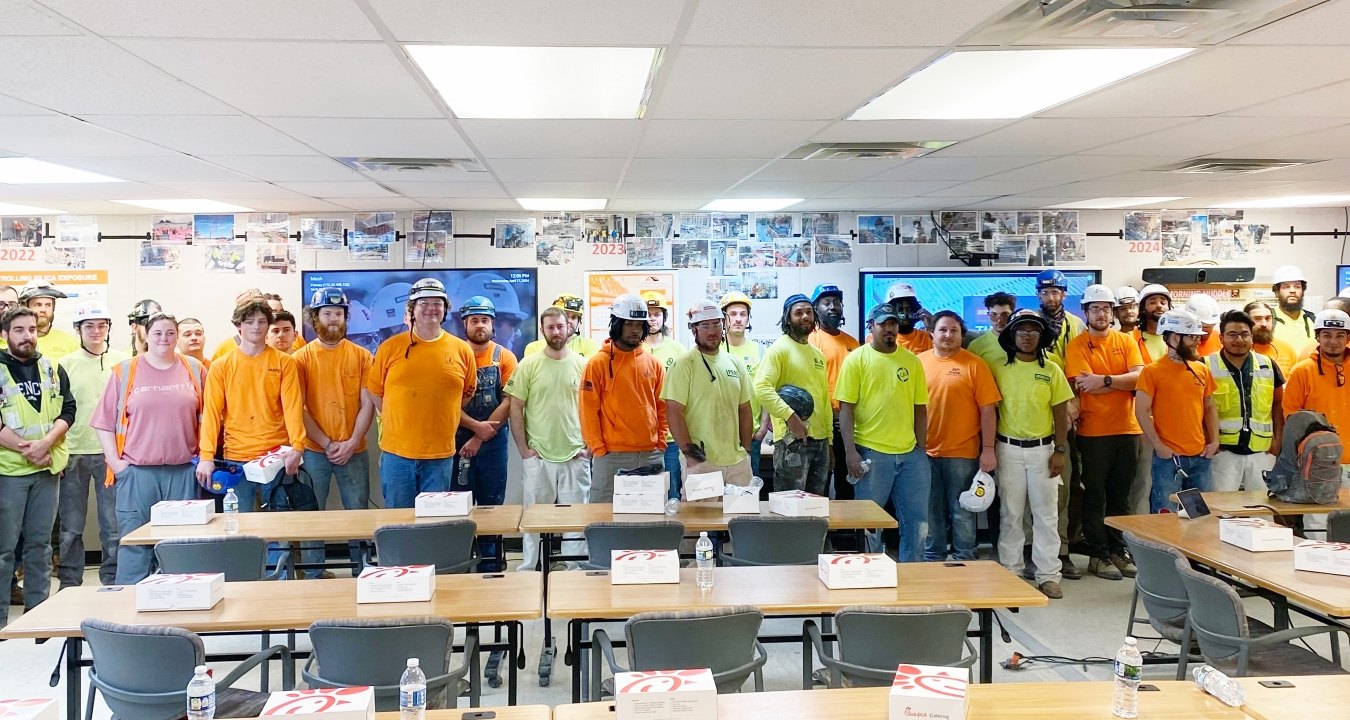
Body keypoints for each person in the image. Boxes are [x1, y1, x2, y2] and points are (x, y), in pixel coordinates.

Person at [93, 313, 207, 585]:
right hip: (137, 473)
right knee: (134, 544)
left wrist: (205, 458)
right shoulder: (125, 371)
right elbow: (103, 422)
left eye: (170, 333)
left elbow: (211, 418)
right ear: (146, 335)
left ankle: (180, 608)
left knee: (181, 545)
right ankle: (129, 617)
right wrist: (117, 465)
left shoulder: (195, 368)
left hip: (183, 472)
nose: (164, 339)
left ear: (176, 336)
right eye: (157, 333)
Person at [366, 278, 478, 508]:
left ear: (446, 309)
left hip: (440, 454)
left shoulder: (461, 349)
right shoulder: (390, 348)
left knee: (433, 524)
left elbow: (465, 393)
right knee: (397, 523)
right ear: (411, 310)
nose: (430, 308)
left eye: (437, 303)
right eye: (423, 302)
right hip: (397, 454)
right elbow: (376, 392)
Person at [988, 310, 1073, 600]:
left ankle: (1048, 575)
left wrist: (1059, 450)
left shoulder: (1052, 369)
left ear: (1042, 337)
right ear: (1012, 336)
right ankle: (1011, 572)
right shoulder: (999, 368)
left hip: (1043, 450)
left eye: (1033, 332)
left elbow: (1060, 413)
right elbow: (990, 410)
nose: (1027, 336)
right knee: (1010, 513)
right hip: (1008, 448)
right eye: (1021, 331)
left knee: (1046, 515)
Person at [0, 307, 75, 628]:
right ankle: (1, 620)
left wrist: (45, 446)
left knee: (40, 546)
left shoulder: (52, 368)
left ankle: (38, 617)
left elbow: (68, 410)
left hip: (47, 470)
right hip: (10, 473)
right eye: (19, 330)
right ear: (5, 335)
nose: (27, 335)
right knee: (3, 550)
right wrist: (30, 450)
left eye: (31, 329)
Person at [292, 288, 375, 578]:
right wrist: (326, 443)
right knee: (312, 514)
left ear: (346, 318)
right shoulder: (300, 359)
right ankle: (314, 572)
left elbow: (368, 403)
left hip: (355, 449)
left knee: (357, 512)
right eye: (326, 313)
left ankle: (361, 569)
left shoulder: (363, 356)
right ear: (314, 318)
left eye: (338, 314)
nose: (333, 319)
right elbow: (298, 408)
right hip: (315, 451)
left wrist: (351, 442)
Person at [835, 303, 929, 559]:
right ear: (871, 326)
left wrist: (921, 449)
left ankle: (913, 577)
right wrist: (850, 452)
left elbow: (920, 408)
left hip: (911, 455)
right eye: (883, 324)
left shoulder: (911, 361)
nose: (889, 329)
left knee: (917, 523)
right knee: (869, 524)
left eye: (893, 324)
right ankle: (869, 575)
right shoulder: (856, 360)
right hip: (872, 454)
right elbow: (846, 409)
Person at [1064, 285, 1144, 581]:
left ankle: (1117, 549)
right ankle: (1098, 555)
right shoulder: (1077, 345)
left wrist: (1106, 380)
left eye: (1106, 309)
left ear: (1113, 312)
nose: (1102, 314)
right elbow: (1085, 384)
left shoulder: (1126, 341)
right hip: (1094, 432)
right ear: (1085, 312)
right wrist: (1120, 382)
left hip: (1128, 428)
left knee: (1120, 497)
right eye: (1095, 308)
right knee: (1095, 496)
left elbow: (1139, 377)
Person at [196, 300, 306, 513]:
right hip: (236, 457)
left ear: (268, 325)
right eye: (249, 322)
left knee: (279, 530)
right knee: (238, 528)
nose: (256, 326)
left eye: (262, 321)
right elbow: (210, 413)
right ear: (239, 326)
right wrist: (206, 456)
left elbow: (293, 408)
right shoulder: (221, 366)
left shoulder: (285, 363)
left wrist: (297, 447)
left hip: (276, 456)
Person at [506, 306, 590, 571]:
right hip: (538, 456)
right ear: (542, 330)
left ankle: (574, 569)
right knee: (533, 518)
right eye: (551, 327)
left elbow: (593, 407)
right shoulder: (528, 365)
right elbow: (515, 407)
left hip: (575, 455)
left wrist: (590, 446)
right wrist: (523, 449)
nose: (556, 332)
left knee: (576, 520)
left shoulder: (583, 364)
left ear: (570, 328)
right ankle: (530, 568)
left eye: (561, 326)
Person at [55, 303, 127, 589]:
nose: (96, 331)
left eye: (102, 325)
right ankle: (69, 583)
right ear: (78, 330)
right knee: (71, 527)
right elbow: (58, 409)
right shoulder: (65, 364)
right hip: (73, 453)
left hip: (111, 454)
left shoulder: (123, 361)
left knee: (113, 525)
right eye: (89, 326)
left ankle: (113, 579)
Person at [918, 311, 1000, 562]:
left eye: (954, 330)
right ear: (932, 332)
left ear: (961, 334)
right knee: (931, 511)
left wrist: (988, 449)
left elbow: (988, 410)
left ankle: (964, 557)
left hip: (963, 453)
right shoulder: (917, 363)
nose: (948, 335)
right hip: (924, 452)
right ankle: (934, 557)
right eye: (942, 329)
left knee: (963, 510)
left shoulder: (975, 364)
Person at [450, 295, 518, 571]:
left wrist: (480, 435)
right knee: (457, 504)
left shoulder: (505, 356)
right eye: (475, 320)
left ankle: (490, 563)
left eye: (485, 320)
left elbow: (509, 399)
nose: (480, 326)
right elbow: (447, 403)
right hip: (455, 439)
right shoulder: (452, 353)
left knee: (492, 505)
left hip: (492, 442)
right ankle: (460, 562)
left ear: (493, 324)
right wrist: (473, 428)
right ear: (464, 323)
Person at [580, 293, 667, 503]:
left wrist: (661, 442)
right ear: (617, 324)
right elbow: (587, 410)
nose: (635, 330)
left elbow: (662, 407)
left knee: (650, 517)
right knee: (604, 520)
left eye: (639, 324)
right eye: (629, 324)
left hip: (650, 454)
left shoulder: (654, 364)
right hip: (611, 455)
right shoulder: (597, 364)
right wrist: (598, 448)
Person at [662, 302, 754, 490]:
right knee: (701, 518)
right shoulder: (683, 365)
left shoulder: (734, 363)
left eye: (716, 324)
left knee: (743, 515)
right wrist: (689, 453)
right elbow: (673, 412)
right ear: (694, 329)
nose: (712, 331)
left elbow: (744, 408)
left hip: (738, 463)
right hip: (702, 463)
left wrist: (746, 449)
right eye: (705, 326)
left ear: (723, 326)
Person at [1135, 310, 1218, 513]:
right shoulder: (1152, 371)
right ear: (1173, 337)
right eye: (1192, 337)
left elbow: (1209, 406)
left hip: (1200, 457)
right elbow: (1141, 411)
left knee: (1199, 517)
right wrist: (1159, 446)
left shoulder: (1201, 369)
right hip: (1169, 460)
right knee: (1165, 516)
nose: (1197, 341)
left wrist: (1214, 441)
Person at [754, 294, 832, 496]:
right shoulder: (779, 349)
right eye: (798, 313)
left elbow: (824, 400)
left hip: (820, 442)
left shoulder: (817, 355)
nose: (805, 316)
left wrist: (829, 441)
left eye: (809, 312)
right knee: (790, 507)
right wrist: (790, 417)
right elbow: (761, 387)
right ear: (788, 318)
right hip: (793, 442)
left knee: (817, 506)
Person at [1281, 309, 1350, 530]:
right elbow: (1291, 416)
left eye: (1340, 335)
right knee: (1318, 520)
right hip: (1319, 459)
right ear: (1317, 337)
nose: (1333, 341)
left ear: (1348, 338)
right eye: (1327, 334)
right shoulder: (1302, 371)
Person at [1207, 309, 1284, 493]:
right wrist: (1210, 443)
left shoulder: (1268, 364)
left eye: (1244, 334)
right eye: (1232, 335)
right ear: (1221, 338)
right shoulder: (1205, 365)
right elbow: (1198, 409)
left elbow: (1278, 405)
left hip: (1262, 452)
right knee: (1221, 510)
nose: (1239, 340)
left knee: (1263, 511)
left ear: (1252, 337)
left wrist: (1277, 442)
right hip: (1223, 453)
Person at [808, 284, 860, 501]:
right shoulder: (811, 339)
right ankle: (821, 533)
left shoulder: (852, 343)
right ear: (816, 308)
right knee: (819, 483)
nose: (833, 307)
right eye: (826, 303)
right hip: (822, 423)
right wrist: (832, 412)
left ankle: (847, 533)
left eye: (836, 303)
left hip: (849, 424)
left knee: (847, 481)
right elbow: (810, 383)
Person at [720, 291, 770, 478]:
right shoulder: (713, 350)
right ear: (724, 318)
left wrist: (764, 427)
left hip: (752, 435)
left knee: (748, 492)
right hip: (721, 436)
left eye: (743, 314)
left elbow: (766, 390)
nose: (738, 319)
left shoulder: (760, 350)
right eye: (733, 314)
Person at [642, 291, 684, 498]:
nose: (652, 318)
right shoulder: (634, 349)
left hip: (670, 436)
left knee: (672, 489)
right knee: (646, 494)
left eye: (657, 314)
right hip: (641, 437)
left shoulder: (677, 349)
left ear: (664, 318)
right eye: (648, 313)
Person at [522, 294, 600, 358]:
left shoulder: (590, 346)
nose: (569, 321)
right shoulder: (534, 348)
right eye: (565, 315)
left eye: (574, 317)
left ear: (579, 321)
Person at [19, 279, 79, 360]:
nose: (43, 309)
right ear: (25, 308)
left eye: (48, 305)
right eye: (38, 305)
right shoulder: (13, 340)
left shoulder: (69, 342)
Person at [1245, 300, 1298, 376]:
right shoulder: (1238, 350)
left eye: (1267, 318)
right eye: (1257, 319)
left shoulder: (1287, 349)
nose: (1264, 324)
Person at [1270, 265, 1316, 350]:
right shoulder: (1268, 319)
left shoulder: (1313, 319)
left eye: (1297, 286)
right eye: (1286, 287)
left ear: (1303, 291)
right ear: (1277, 292)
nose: (1292, 291)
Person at [969, 291, 1016, 368]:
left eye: (1004, 315)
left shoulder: (1024, 341)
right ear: (988, 314)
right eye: (994, 314)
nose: (999, 320)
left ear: (1013, 314)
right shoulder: (976, 346)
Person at [885, 283, 933, 353]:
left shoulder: (926, 337)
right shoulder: (880, 338)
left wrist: (932, 326)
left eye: (908, 309)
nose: (904, 314)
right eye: (900, 309)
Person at [1133, 284, 1172, 363]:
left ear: (1169, 308)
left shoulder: (1177, 338)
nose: (1159, 306)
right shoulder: (1130, 338)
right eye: (1152, 302)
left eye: (1163, 302)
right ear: (1143, 309)